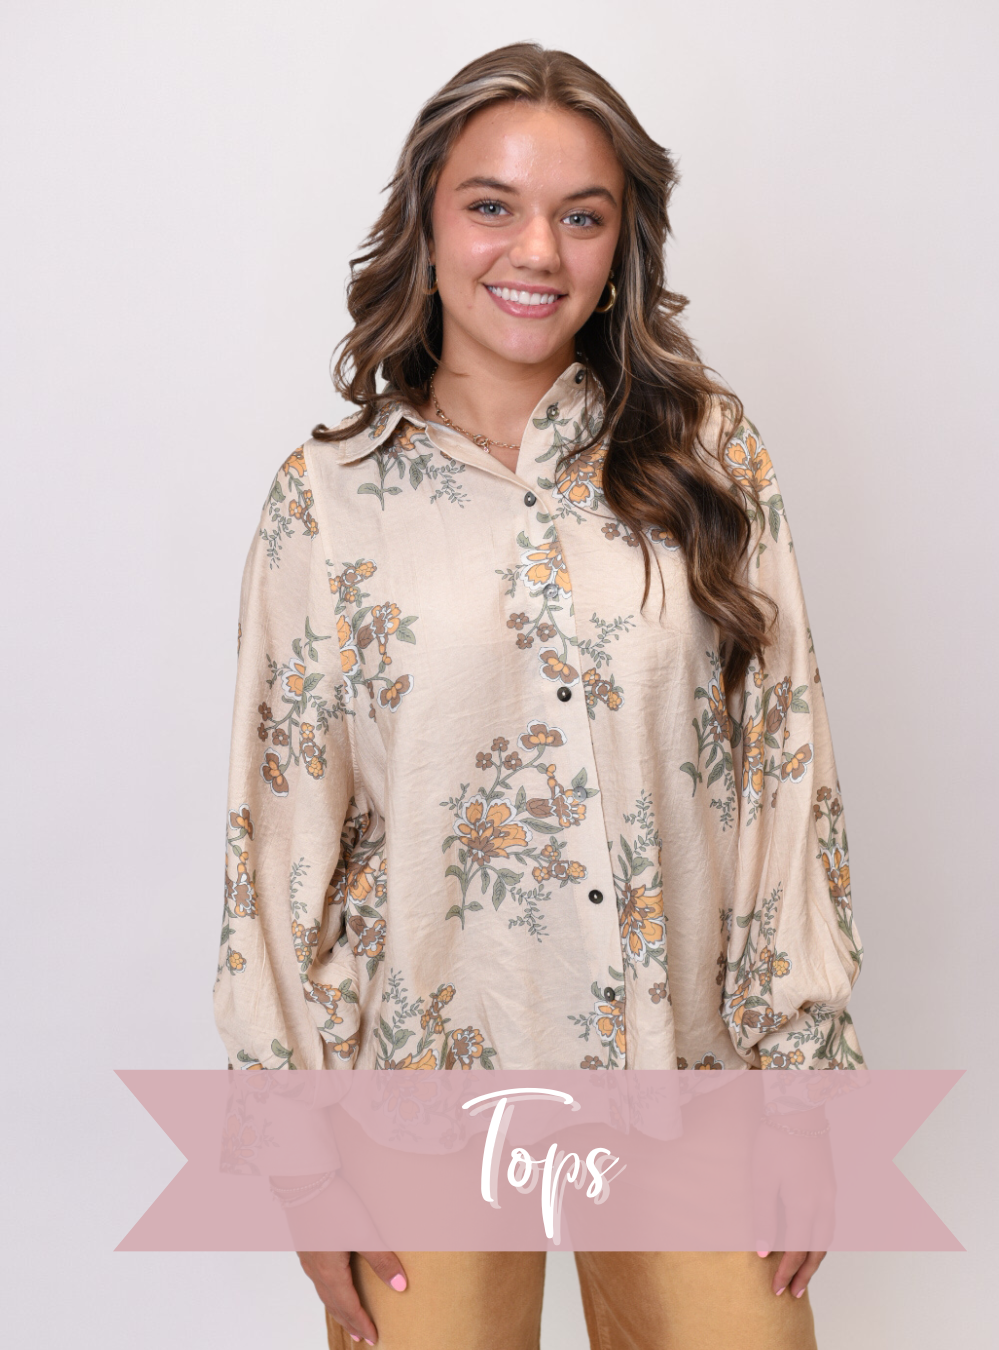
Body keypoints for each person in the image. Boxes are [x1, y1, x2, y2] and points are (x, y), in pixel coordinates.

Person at [213, 41, 865, 1350]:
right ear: (427, 220)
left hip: (691, 1076)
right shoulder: (327, 501)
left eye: (582, 215)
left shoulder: (709, 455)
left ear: (623, 242)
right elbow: (279, 844)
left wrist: (804, 1093)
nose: (537, 252)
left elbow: (783, 770)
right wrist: (299, 1156)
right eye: (492, 205)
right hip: (419, 1099)